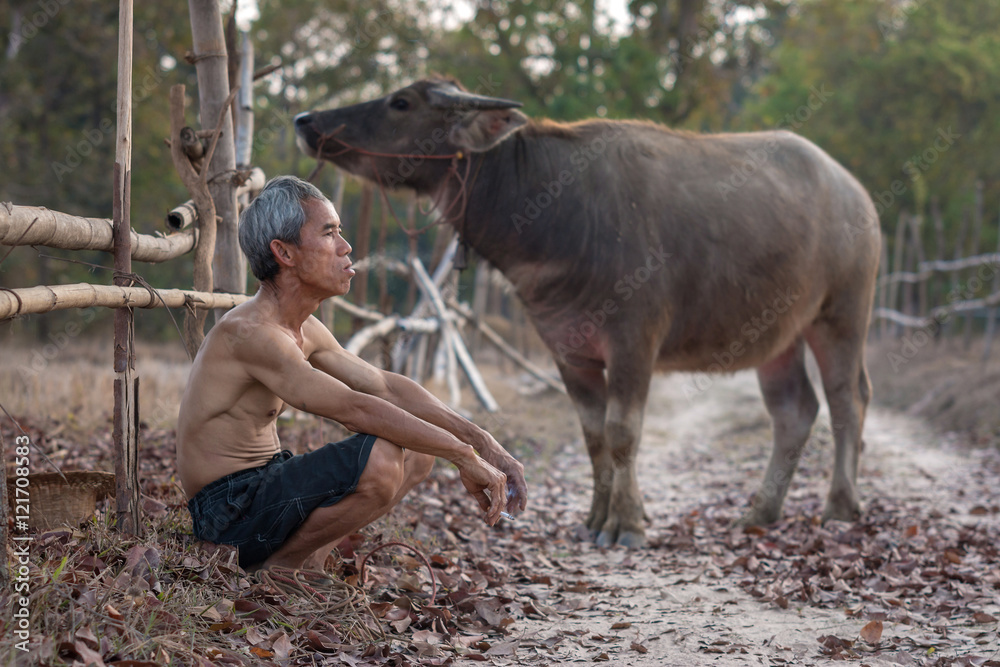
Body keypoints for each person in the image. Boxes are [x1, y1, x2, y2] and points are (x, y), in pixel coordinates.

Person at [176, 175, 526, 572]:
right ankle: (282, 570)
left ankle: (309, 561)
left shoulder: (303, 328)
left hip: (262, 485)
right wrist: (463, 457)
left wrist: (482, 441)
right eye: (329, 233)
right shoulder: (252, 334)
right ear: (284, 253)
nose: (346, 248)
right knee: (383, 454)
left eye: (340, 232)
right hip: (227, 512)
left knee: (418, 453)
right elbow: (354, 408)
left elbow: (386, 387)